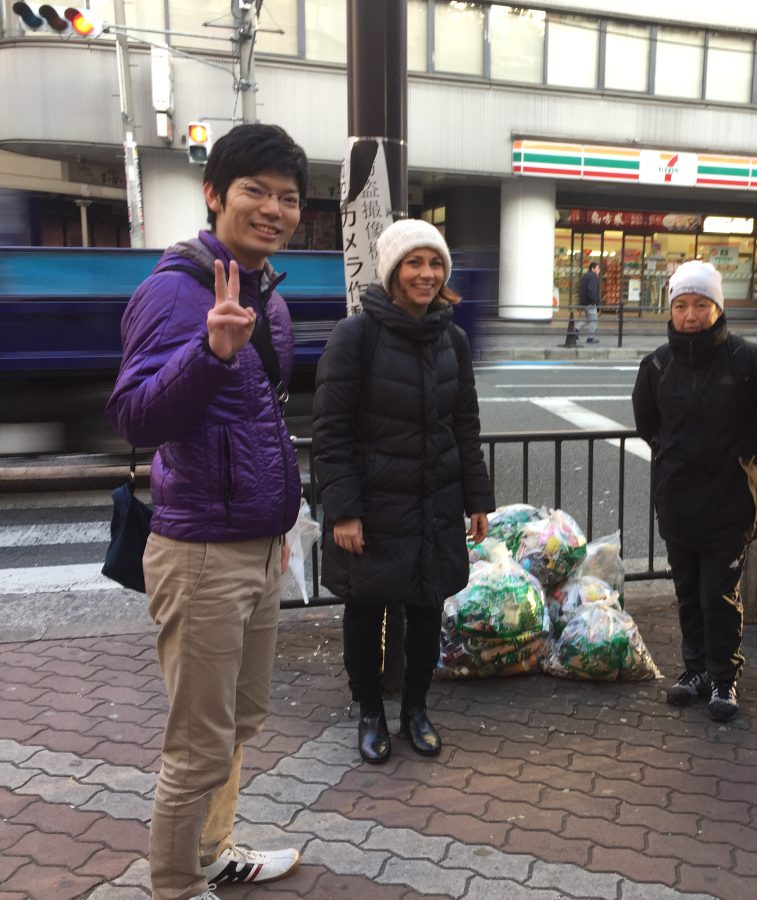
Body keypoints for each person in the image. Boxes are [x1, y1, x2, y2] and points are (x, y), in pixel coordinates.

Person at [106, 124, 308, 900]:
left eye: (287, 197)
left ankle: (213, 850)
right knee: (197, 744)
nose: (274, 209)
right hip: (199, 554)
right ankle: (176, 887)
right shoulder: (175, 291)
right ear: (214, 196)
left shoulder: (264, 294)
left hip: (256, 546)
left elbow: (258, 422)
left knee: (242, 722)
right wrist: (210, 352)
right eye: (255, 191)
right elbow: (133, 418)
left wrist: (278, 525)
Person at [313, 218, 494, 765]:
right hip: (372, 505)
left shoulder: (452, 339)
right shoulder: (357, 335)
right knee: (366, 611)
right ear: (393, 271)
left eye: (435, 263)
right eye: (414, 263)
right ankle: (370, 711)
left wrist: (476, 498)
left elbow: (464, 424)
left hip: (434, 501)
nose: (427, 273)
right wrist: (343, 510)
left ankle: (416, 709)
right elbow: (331, 430)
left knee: (425, 612)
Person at [632, 260, 757, 722]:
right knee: (687, 591)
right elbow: (648, 424)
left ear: (716, 307)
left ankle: (725, 677)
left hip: (730, 502)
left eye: (700, 304)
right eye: (681, 305)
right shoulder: (658, 365)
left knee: (719, 594)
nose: (690, 314)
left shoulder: (748, 361)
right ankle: (695, 671)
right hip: (677, 500)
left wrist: (753, 460)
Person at [579, 261, 601, 343]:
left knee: (589, 319)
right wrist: (594, 301)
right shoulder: (592, 276)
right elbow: (591, 290)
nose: (599, 270)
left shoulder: (586, 276)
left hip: (585, 302)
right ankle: (590, 338)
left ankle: (576, 329)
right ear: (593, 269)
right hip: (590, 303)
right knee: (593, 320)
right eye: (598, 268)